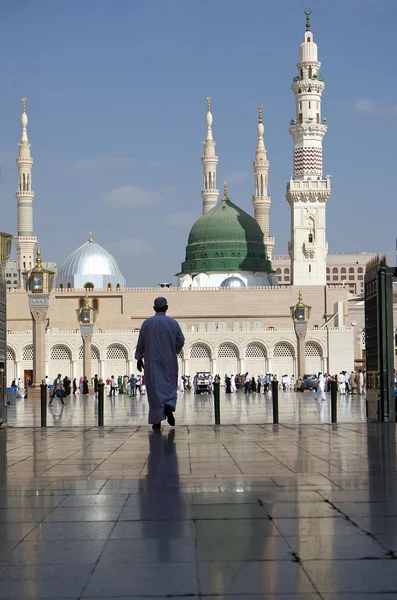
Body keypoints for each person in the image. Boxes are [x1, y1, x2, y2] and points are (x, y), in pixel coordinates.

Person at [135, 296, 185, 430]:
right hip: (169, 360)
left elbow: (141, 343)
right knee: (169, 385)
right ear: (166, 308)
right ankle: (169, 405)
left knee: (154, 389)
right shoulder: (173, 323)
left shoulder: (147, 323)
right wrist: (173, 350)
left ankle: (157, 421)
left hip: (152, 361)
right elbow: (181, 340)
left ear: (154, 308)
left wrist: (139, 358)